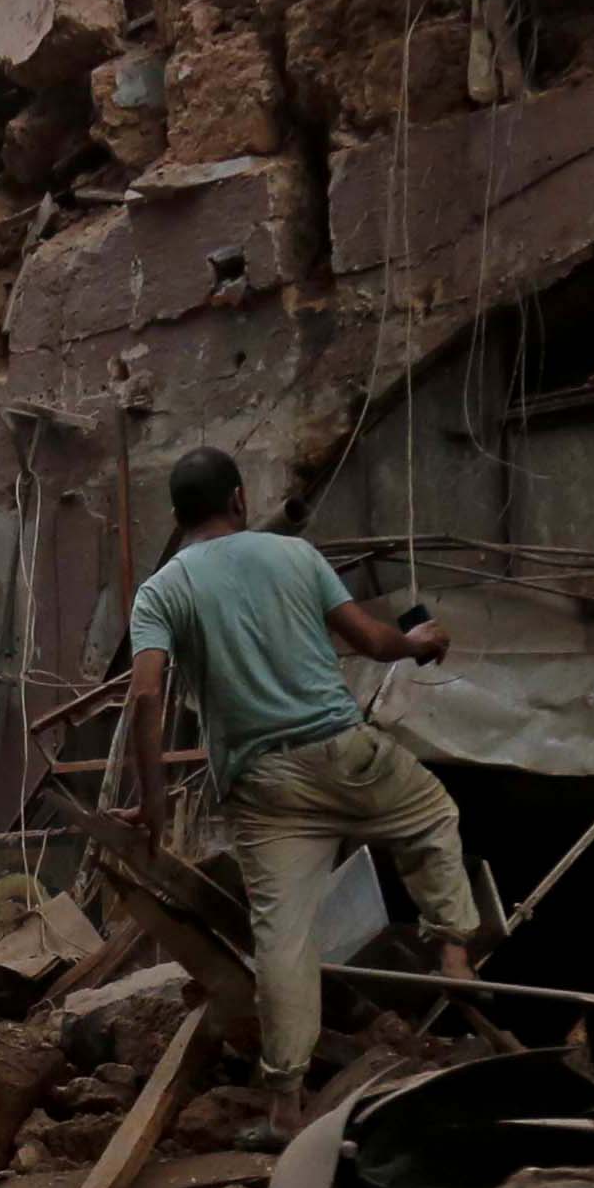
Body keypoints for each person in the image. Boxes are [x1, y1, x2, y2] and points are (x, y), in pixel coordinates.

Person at [119, 446, 487, 1087]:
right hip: (343, 751)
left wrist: (152, 802)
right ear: (238, 499)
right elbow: (372, 641)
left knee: (283, 942)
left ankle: (286, 1099)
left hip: (263, 788)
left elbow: (146, 693)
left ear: (177, 518)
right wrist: (420, 642)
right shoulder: (296, 554)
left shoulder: (160, 591)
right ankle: (454, 948)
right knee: (430, 816)